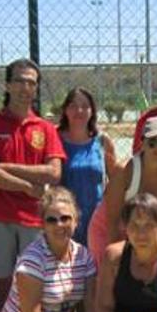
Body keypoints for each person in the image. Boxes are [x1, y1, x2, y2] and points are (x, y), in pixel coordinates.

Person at [0, 58, 66, 312]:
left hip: (32, 220)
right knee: (0, 285)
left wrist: (4, 168)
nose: (26, 87)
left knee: (32, 284)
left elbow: (53, 172)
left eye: (31, 82)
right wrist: (25, 186)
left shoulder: (45, 128)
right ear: (8, 84)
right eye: (20, 80)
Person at [87, 116, 157, 266]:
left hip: (142, 232)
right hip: (107, 230)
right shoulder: (124, 170)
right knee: (108, 279)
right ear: (142, 143)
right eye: (152, 142)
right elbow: (112, 222)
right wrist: (116, 262)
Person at [58, 87, 117, 245]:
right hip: (64, 218)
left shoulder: (103, 141)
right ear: (65, 110)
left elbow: (115, 181)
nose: (79, 110)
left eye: (85, 106)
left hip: (96, 217)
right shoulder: (55, 140)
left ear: (92, 111)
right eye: (73, 106)